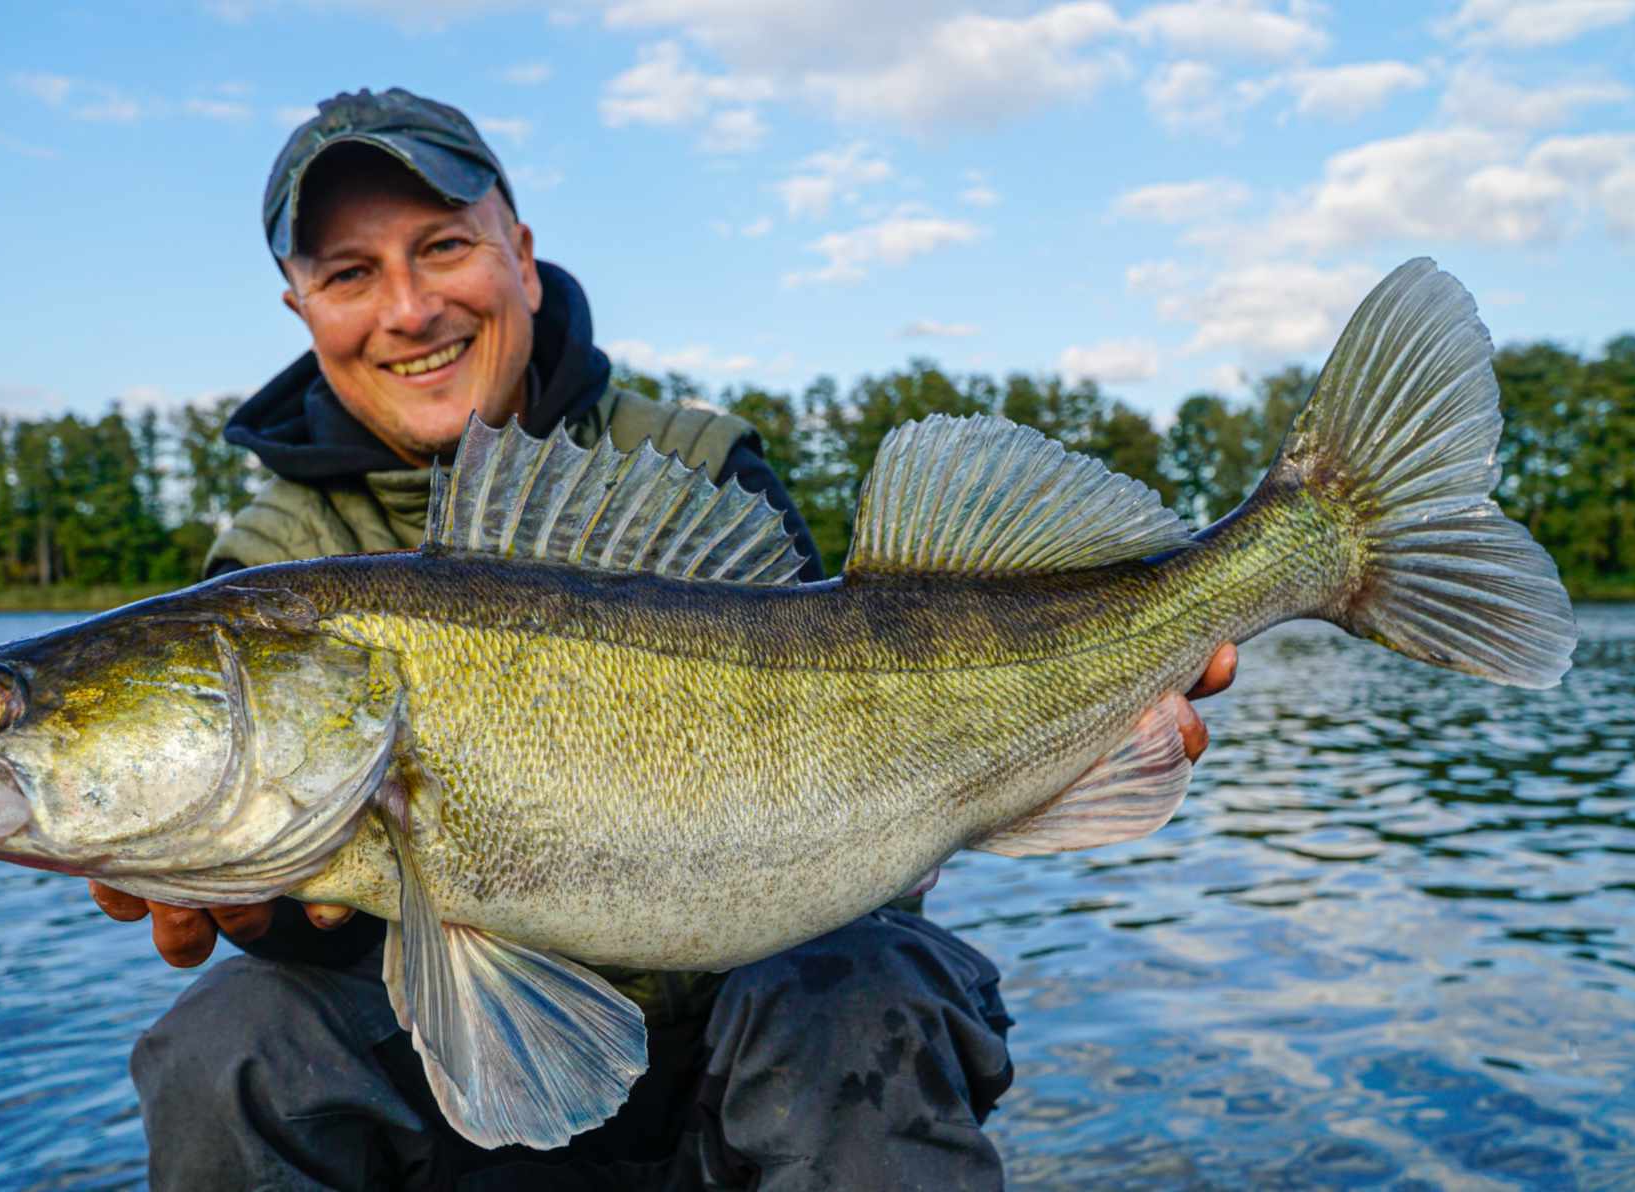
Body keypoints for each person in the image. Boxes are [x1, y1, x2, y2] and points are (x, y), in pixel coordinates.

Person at [90, 87, 1239, 1190]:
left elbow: (865, 743)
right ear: (302, 307)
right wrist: (278, 905)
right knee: (226, 1043)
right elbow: (311, 933)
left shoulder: (690, 465)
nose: (407, 307)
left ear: (522, 255)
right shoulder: (265, 571)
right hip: (454, 1094)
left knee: (863, 986)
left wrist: (1091, 717)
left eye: (442, 246)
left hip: (750, 1033)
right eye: (349, 272)